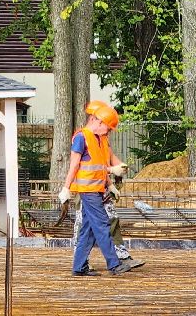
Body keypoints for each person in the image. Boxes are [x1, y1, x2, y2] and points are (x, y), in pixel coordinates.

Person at [58, 100, 140, 277]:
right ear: (98, 121)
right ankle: (114, 265)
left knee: (88, 230)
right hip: (87, 191)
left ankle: (79, 267)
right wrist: (66, 188)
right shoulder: (81, 138)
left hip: (96, 190)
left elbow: (99, 167)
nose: (108, 132)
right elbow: (74, 165)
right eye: (108, 128)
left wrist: (110, 185)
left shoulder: (98, 139)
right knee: (102, 225)